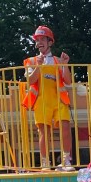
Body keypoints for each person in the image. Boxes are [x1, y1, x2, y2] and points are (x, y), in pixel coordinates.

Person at [22, 25, 73, 170]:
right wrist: (39, 66)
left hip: (59, 99)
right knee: (44, 132)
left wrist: (65, 65)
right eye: (37, 40)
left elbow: (68, 81)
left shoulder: (58, 60)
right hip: (41, 101)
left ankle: (66, 161)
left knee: (65, 127)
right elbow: (30, 81)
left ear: (50, 42)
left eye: (42, 39)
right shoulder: (31, 61)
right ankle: (45, 162)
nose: (39, 43)